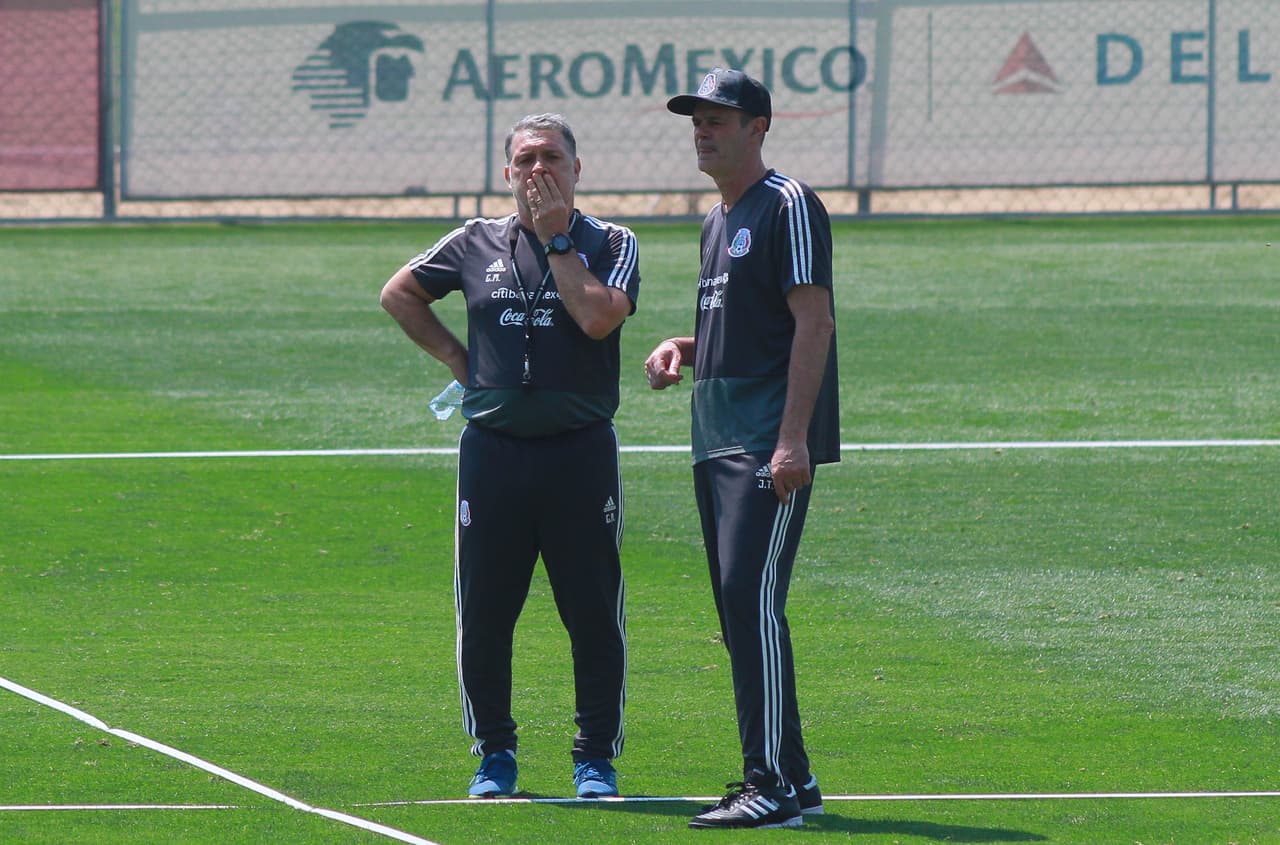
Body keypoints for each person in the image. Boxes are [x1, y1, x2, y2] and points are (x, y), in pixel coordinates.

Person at [380, 113, 639, 800]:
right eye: (524, 159)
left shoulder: (610, 242)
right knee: (487, 611)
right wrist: (461, 362)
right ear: (506, 174)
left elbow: (597, 318)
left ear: (578, 169)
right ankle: (494, 754)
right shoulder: (474, 242)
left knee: (591, 610)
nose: (537, 170)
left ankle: (595, 759)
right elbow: (398, 293)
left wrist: (557, 241)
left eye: (552, 157)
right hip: (492, 453)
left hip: (580, 453)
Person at [645, 68, 840, 829]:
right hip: (716, 438)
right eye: (697, 118)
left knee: (751, 600)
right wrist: (680, 348)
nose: (703, 129)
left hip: (765, 441)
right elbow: (743, 331)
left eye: (719, 118)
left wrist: (793, 439)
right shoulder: (715, 220)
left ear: (759, 126)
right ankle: (794, 776)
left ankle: (768, 784)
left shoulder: (788, 205)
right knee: (741, 609)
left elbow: (813, 324)